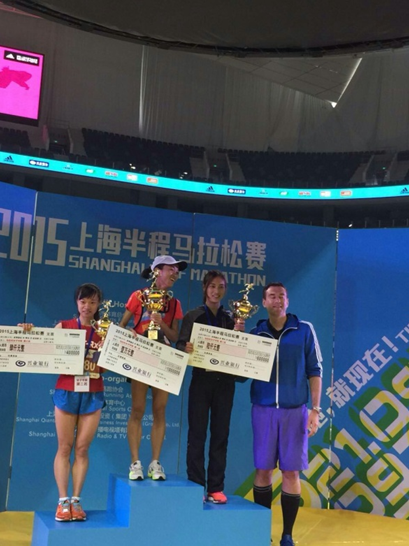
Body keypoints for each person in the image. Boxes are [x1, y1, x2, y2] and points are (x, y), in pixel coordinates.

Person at [20, 283, 105, 522]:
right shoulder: (64, 327)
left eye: (92, 302)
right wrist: (27, 332)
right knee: (64, 447)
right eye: (83, 301)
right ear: (77, 303)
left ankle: (76, 501)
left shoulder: (105, 331)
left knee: (82, 449)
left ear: (98, 304)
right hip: (66, 391)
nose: (87, 306)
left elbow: (109, 365)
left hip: (93, 392)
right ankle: (62, 501)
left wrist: (124, 342)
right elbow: (42, 348)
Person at [250, 282, 322, 546]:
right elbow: (241, 372)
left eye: (281, 296)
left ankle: (287, 535)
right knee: (263, 470)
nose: (277, 300)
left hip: (295, 411)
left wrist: (315, 410)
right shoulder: (256, 333)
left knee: (291, 473)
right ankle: (261, 533)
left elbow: (315, 371)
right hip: (264, 409)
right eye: (272, 296)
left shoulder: (304, 330)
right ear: (264, 302)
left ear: (287, 301)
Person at [176, 270, 244, 504]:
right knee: (197, 434)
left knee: (220, 435)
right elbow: (180, 344)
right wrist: (185, 347)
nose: (216, 291)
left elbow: (239, 350)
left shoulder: (231, 319)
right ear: (205, 288)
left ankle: (216, 487)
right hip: (201, 381)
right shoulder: (193, 316)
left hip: (225, 383)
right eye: (212, 286)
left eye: (221, 286)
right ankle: (196, 486)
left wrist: (240, 336)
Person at [119, 255, 187, 481]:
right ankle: (135, 462)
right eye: (171, 269)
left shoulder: (174, 303)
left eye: (177, 270)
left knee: (160, 410)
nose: (175, 273)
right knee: (137, 409)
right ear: (157, 271)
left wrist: (161, 323)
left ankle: (155, 463)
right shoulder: (138, 296)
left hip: (163, 358)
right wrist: (128, 332)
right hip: (140, 356)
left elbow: (175, 336)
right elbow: (122, 326)